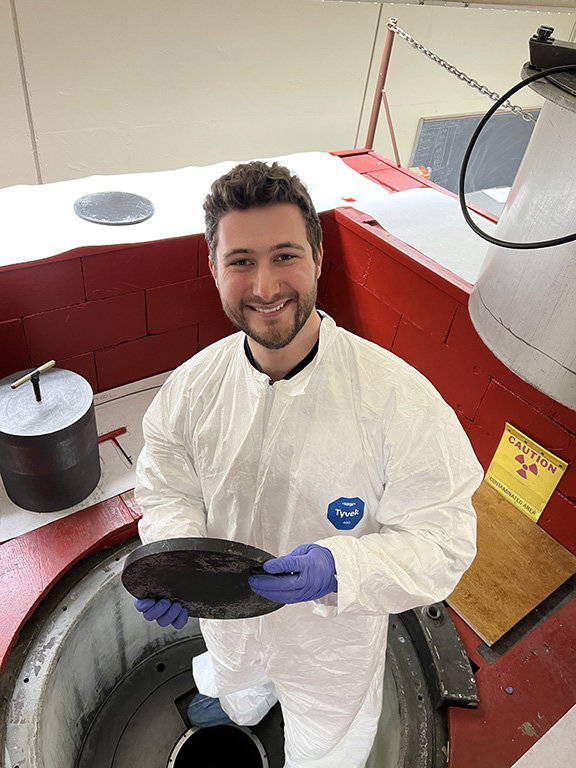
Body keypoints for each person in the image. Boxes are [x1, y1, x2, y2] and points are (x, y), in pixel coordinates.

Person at [134, 160, 483, 768]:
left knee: (326, 744)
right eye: (241, 261)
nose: (265, 287)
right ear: (213, 267)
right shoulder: (191, 391)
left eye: (285, 256)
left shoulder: (398, 400)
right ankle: (238, 704)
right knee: (234, 677)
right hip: (229, 619)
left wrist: (342, 566)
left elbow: (443, 541)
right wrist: (171, 557)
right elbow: (166, 490)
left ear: (320, 259)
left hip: (331, 640)